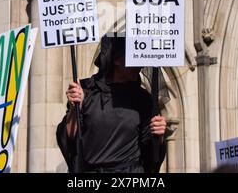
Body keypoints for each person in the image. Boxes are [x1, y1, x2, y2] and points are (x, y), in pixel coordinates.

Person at [56, 34, 167, 173]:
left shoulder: (142, 98)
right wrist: (75, 108)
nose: (140, 65)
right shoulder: (86, 90)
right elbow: (70, 139)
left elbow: (151, 156)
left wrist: (159, 134)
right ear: (117, 60)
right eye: (134, 58)